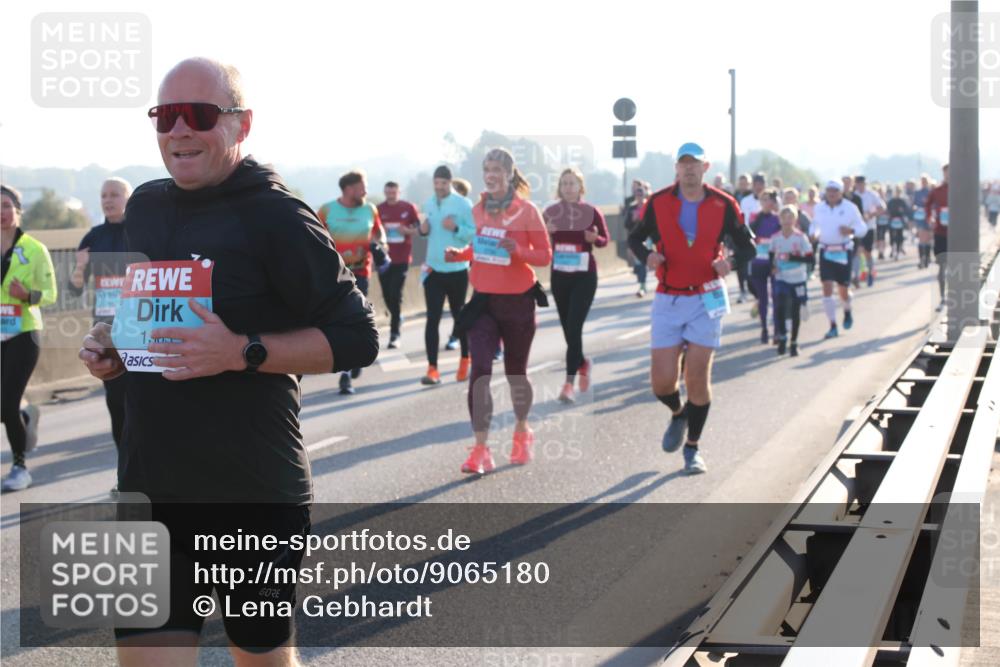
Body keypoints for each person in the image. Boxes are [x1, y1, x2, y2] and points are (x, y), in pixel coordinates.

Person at [78, 58, 378, 667]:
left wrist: (243, 351)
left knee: (261, 659)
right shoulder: (145, 206)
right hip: (149, 489)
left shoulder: (278, 216)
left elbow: (357, 337)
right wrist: (115, 347)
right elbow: (155, 313)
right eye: (165, 116)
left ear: (242, 124)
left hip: (252, 494)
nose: (179, 130)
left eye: (200, 114)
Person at [628, 142, 754, 475]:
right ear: (676, 168)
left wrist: (732, 262)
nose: (688, 169)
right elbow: (633, 239)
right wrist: (647, 257)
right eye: (683, 164)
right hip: (668, 297)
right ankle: (678, 413)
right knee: (661, 383)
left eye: (694, 164)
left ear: (705, 167)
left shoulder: (723, 204)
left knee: (697, 376)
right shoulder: (658, 203)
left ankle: (693, 448)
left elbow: (748, 246)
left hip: (705, 297)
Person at [444, 148, 552, 474]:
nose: (490, 174)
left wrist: (518, 250)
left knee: (516, 373)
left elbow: (545, 256)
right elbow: (479, 249)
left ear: (509, 174)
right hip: (483, 303)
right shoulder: (477, 211)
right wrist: (460, 255)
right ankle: (480, 449)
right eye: (486, 169)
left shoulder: (527, 211)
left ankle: (522, 431)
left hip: (518, 302)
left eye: (496, 169)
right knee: (479, 373)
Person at [67, 177, 132, 493]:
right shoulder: (93, 237)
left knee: (147, 406)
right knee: (117, 407)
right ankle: (126, 476)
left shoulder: (141, 232)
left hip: (139, 331)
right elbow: (74, 288)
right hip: (107, 335)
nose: (108, 200)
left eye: (115, 194)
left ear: (127, 198)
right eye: (104, 195)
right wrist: (80, 267)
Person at [1, 185, 58, 492]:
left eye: (7, 205)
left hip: (23, 332)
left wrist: (28, 295)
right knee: (5, 406)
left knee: (6, 401)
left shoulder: (35, 249)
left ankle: (20, 468)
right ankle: (25, 416)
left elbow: (51, 295)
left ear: (18, 209)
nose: (2, 212)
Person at [317, 170, 388, 394]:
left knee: (358, 318)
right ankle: (346, 375)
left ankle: (355, 360)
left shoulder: (370, 209)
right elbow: (312, 237)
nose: (366, 191)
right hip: (335, 275)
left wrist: (381, 247)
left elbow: (379, 233)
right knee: (342, 321)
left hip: (362, 272)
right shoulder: (327, 210)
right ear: (348, 189)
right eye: (362, 187)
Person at [543, 168, 609, 404]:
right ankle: (582, 362)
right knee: (567, 330)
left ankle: (568, 383)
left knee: (574, 327)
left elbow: (604, 240)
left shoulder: (591, 212)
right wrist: (546, 234)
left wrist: (594, 239)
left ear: (581, 187)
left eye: (572, 183)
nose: (568, 187)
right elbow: (540, 244)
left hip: (584, 276)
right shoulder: (550, 212)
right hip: (560, 275)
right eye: (564, 184)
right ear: (559, 188)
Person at [419, 165, 475, 384]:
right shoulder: (429, 203)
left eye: (443, 183)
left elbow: (471, 234)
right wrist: (422, 231)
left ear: (450, 183)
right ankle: (432, 369)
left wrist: (455, 228)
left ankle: (464, 360)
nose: (439, 187)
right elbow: (426, 234)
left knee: (459, 317)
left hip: (457, 270)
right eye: (436, 183)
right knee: (432, 319)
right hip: (433, 270)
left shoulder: (463, 204)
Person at [812, 180, 867, 339]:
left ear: (841, 192)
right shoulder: (819, 207)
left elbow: (862, 228)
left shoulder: (850, 208)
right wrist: (813, 234)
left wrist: (851, 230)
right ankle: (832, 325)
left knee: (843, 291)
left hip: (843, 252)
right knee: (827, 287)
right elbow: (814, 225)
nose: (831, 193)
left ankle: (847, 309)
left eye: (835, 190)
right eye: (829, 190)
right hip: (825, 251)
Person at [376, 181, 420, 349]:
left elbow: (418, 227)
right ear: (385, 192)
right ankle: (397, 315)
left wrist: (407, 231)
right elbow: (372, 231)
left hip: (402, 258)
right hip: (384, 260)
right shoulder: (379, 209)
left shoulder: (408, 207)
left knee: (395, 294)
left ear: (398, 192)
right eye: (388, 193)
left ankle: (395, 334)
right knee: (387, 296)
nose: (391, 196)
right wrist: (381, 235)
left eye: (394, 193)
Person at [770, 205, 813, 356]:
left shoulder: (801, 237)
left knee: (795, 310)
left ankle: (794, 342)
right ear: (780, 219)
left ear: (795, 220)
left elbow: (810, 258)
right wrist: (772, 267)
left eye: (790, 218)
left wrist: (793, 257)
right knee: (780, 307)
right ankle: (782, 337)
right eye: (784, 217)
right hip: (782, 277)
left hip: (798, 278)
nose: (787, 221)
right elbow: (771, 255)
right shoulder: (775, 237)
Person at [749, 188, 782, 344]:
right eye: (763, 199)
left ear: (774, 202)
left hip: (774, 263)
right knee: (763, 299)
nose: (766, 202)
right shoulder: (756, 218)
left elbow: (782, 240)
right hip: (758, 262)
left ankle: (777, 330)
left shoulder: (779, 219)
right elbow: (749, 236)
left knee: (776, 297)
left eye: (769, 199)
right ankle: (764, 328)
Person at [925, 164, 950, 311]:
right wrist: (930, 218)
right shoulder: (936, 191)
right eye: (946, 172)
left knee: (957, 266)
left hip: (958, 234)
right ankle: (942, 299)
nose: (949, 175)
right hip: (941, 232)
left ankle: (955, 297)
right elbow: (927, 206)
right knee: (942, 266)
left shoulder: (960, 189)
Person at [854, 176, 885, 282]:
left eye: (862, 183)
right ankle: (859, 274)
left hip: (869, 227)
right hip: (857, 228)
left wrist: (871, 215)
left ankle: (871, 270)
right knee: (858, 251)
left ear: (865, 184)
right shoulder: (854, 195)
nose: (860, 186)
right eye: (858, 184)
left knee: (867, 252)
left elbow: (882, 208)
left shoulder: (872, 195)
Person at [623, 180, 650, 297]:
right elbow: (626, 224)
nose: (639, 196)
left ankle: (642, 285)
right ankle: (641, 280)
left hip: (647, 237)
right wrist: (633, 220)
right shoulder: (631, 208)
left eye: (641, 193)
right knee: (637, 263)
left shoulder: (648, 206)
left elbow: (654, 223)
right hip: (635, 238)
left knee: (642, 261)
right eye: (637, 194)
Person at [912, 173, 934, 269]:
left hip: (929, 217)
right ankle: (921, 259)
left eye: (925, 181)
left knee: (928, 238)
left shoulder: (931, 192)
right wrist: (916, 208)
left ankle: (928, 258)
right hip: (920, 217)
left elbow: (934, 204)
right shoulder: (917, 193)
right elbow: (914, 204)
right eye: (922, 181)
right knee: (921, 238)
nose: (923, 183)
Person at [885, 185, 910, 260]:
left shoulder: (902, 201)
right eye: (896, 192)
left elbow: (906, 210)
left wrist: (903, 214)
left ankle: (898, 251)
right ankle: (892, 249)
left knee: (900, 236)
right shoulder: (891, 201)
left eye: (898, 192)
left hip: (900, 221)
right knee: (892, 236)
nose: (897, 193)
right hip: (892, 220)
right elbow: (887, 210)